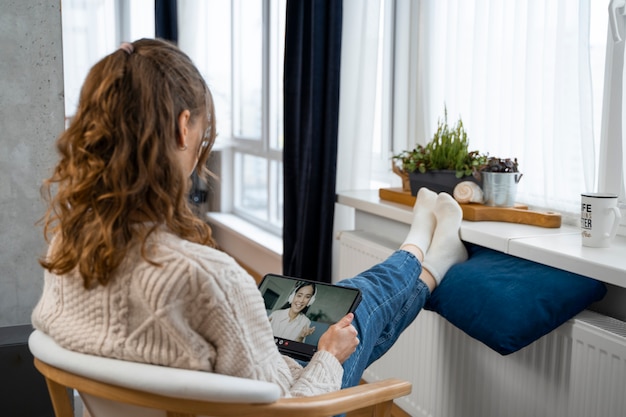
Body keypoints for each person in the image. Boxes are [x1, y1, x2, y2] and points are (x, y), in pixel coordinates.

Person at [32, 38, 468, 398]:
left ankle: (428, 261)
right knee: (360, 311)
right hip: (288, 400)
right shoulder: (208, 277)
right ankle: (424, 256)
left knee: (348, 300)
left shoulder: (65, 251)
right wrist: (330, 356)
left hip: (227, 383)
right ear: (184, 127)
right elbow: (290, 409)